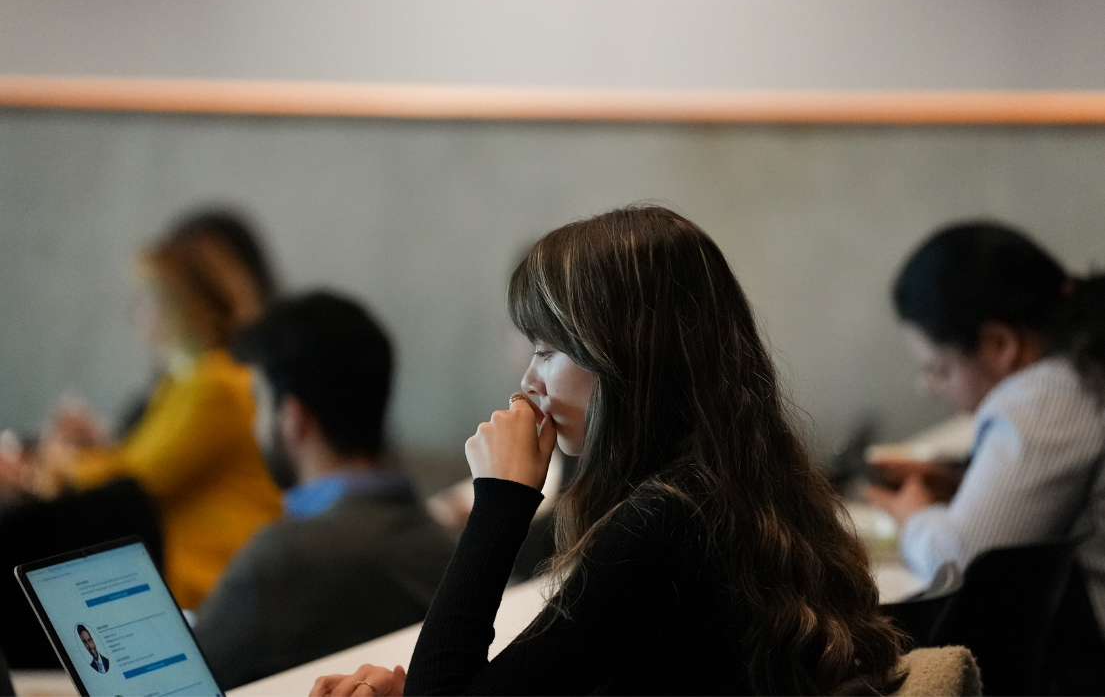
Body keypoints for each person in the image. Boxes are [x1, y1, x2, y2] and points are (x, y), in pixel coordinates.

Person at [311, 206, 903, 696]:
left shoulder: (664, 522)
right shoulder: (733, 484)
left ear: (627, 359)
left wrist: (500, 503)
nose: (527, 384)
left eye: (546, 351)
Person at [864, 220, 1105, 690]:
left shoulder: (1046, 395)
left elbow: (962, 562)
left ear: (999, 344)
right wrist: (963, 489)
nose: (934, 388)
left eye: (940, 369)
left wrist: (915, 516)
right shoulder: (1082, 365)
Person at [4, 210, 283, 610]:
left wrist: (37, 468)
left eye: (146, 299)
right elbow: (130, 464)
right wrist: (72, 454)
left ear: (182, 307)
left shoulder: (217, 385)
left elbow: (132, 484)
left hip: (205, 585)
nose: (135, 313)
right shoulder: (186, 382)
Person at [191, 292, 455, 689]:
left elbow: (176, 682)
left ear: (294, 418)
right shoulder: (447, 543)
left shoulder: (282, 560)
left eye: (258, 403)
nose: (253, 426)